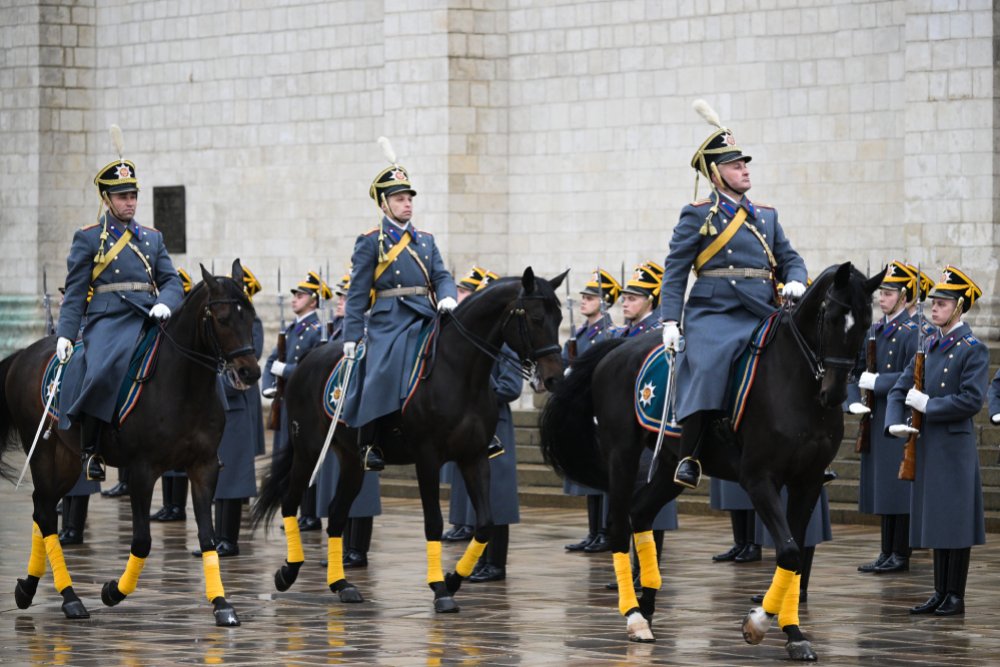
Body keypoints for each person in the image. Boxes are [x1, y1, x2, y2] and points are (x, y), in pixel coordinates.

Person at [660, 101, 807, 489]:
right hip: (716, 311)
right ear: (715, 173)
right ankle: (690, 455)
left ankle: (808, 448)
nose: (744, 170)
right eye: (735, 165)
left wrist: (797, 280)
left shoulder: (767, 215)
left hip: (763, 309)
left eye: (745, 164)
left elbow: (790, 257)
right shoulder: (697, 214)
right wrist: (670, 320)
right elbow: (675, 270)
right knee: (708, 365)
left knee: (804, 359)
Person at [55, 128, 183, 482]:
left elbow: (171, 280)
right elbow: (77, 291)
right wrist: (66, 334)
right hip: (109, 318)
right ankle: (91, 448)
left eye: (133, 195)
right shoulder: (88, 238)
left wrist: (166, 304)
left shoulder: (153, 238)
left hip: (148, 314)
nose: (130, 202)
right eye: (122, 196)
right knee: (101, 370)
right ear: (107, 199)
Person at [342, 138, 457, 472]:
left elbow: (441, 274)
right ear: (384, 204)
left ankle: (479, 428)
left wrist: (447, 294)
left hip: (426, 313)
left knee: (462, 354)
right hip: (389, 319)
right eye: (399, 198)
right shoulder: (369, 242)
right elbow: (357, 294)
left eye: (409, 198)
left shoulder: (426, 240)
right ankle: (369, 441)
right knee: (380, 367)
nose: (407, 204)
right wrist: (351, 334)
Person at [886, 266, 988, 617]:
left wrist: (930, 405)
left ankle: (955, 595)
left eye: (943, 304)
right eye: (934, 303)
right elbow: (901, 387)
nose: (935, 309)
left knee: (955, 523)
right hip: (928, 445)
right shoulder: (929, 344)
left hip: (954, 447)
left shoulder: (973, 349)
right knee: (936, 519)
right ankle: (939, 591)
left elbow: (972, 399)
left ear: (959, 308)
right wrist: (895, 423)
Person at [846, 261, 919, 574]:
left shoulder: (911, 332)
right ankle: (886, 550)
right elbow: (856, 366)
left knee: (897, 489)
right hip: (875, 416)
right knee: (883, 489)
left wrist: (878, 382)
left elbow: (912, 375)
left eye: (889, 293)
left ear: (903, 298)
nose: (882, 298)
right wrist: (853, 399)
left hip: (898, 417)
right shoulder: (875, 330)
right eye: (882, 292)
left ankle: (900, 553)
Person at [194, 266, 265, 557]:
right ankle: (216, 537)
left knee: (234, 478)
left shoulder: (251, 322)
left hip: (236, 403)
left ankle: (229, 539)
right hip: (218, 404)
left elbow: (246, 362)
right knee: (219, 478)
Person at [315, 271, 383, 569]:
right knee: (340, 485)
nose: (341, 301)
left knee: (362, 485)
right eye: (341, 296)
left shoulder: (368, 331)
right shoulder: (340, 331)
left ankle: (358, 548)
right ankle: (342, 546)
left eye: (346, 297)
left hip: (361, 414)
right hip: (339, 412)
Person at [262, 271, 330, 530]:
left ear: (313, 301)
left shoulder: (316, 330)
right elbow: (270, 360)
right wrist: (270, 387)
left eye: (300, 296)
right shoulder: (291, 328)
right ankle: (298, 509)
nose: (294, 300)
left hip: (306, 404)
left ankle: (310, 514)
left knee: (307, 457)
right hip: (288, 402)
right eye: (294, 295)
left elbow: (312, 368)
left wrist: (286, 371)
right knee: (289, 457)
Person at [562, 269, 621, 553]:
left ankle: (607, 532)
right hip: (583, 412)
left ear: (605, 301)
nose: (583, 302)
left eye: (590, 297)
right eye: (583, 297)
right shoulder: (579, 335)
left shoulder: (611, 333)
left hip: (602, 412)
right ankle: (592, 531)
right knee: (588, 473)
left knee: (603, 475)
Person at [442, 267, 501, 543]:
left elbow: (509, 386)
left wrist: (479, 392)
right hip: (470, 415)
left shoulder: (499, 340)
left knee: (496, 499)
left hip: (493, 420)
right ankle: (466, 528)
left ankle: (493, 561)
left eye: (465, 292)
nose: (459, 296)